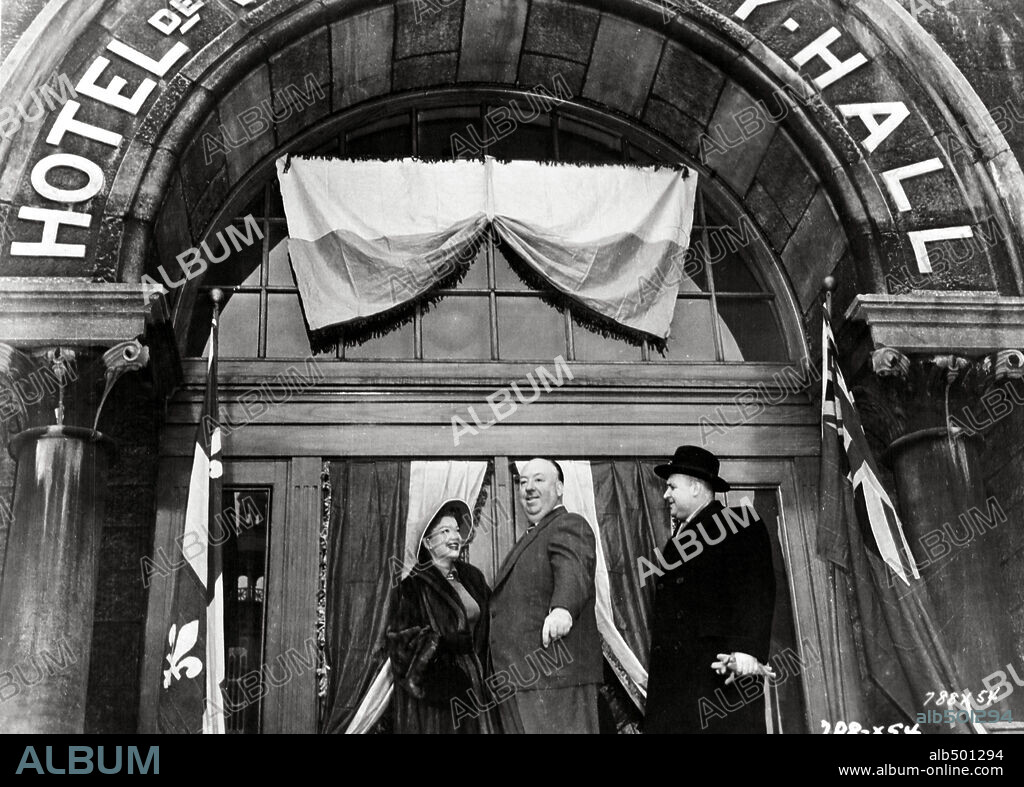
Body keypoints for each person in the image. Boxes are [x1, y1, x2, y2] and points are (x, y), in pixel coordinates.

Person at [644, 445, 776, 734]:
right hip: (677, 695)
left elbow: (757, 589)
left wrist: (747, 651)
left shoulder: (739, 522)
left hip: (718, 684)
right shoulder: (673, 545)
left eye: (671, 487)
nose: (666, 495)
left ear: (694, 488)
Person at [489, 458, 602, 733]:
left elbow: (574, 567)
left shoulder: (568, 524)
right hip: (524, 680)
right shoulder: (534, 535)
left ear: (560, 487)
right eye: (523, 482)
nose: (528, 488)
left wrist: (563, 608)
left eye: (539, 480)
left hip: (554, 681)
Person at [386, 498, 499, 733]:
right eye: (445, 531)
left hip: (477, 689)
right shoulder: (412, 588)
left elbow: (496, 618)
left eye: (457, 530)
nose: (455, 537)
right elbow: (400, 644)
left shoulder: (473, 578)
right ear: (428, 542)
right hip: (439, 698)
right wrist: (441, 645)